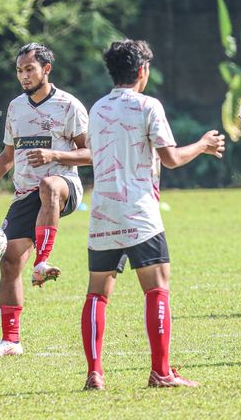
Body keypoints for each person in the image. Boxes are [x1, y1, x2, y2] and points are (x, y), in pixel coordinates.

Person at [81, 39, 225, 390]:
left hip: (102, 211)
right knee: (157, 288)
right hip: (139, 211)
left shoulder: (97, 109)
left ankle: (95, 374)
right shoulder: (148, 106)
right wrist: (204, 145)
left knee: (97, 293)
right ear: (142, 71)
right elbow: (171, 158)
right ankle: (161, 372)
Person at [0, 43, 91, 358]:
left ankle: (43, 261)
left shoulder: (69, 105)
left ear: (46, 69)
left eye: (29, 69)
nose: (23, 76)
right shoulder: (16, 107)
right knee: (9, 260)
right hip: (25, 194)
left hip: (64, 186)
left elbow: (90, 154)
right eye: (19, 70)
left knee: (48, 184)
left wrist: (55, 154)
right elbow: (7, 157)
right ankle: (10, 341)